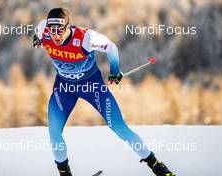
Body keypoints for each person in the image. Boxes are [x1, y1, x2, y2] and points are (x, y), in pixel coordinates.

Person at [33, 7, 175, 176]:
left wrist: (114, 71)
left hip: (92, 86)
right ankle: (65, 173)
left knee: (119, 127)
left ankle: (157, 167)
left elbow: (112, 48)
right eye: (52, 30)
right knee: (54, 133)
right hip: (63, 88)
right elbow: (39, 29)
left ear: (68, 27)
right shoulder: (44, 29)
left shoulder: (86, 38)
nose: (55, 35)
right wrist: (37, 38)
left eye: (59, 30)